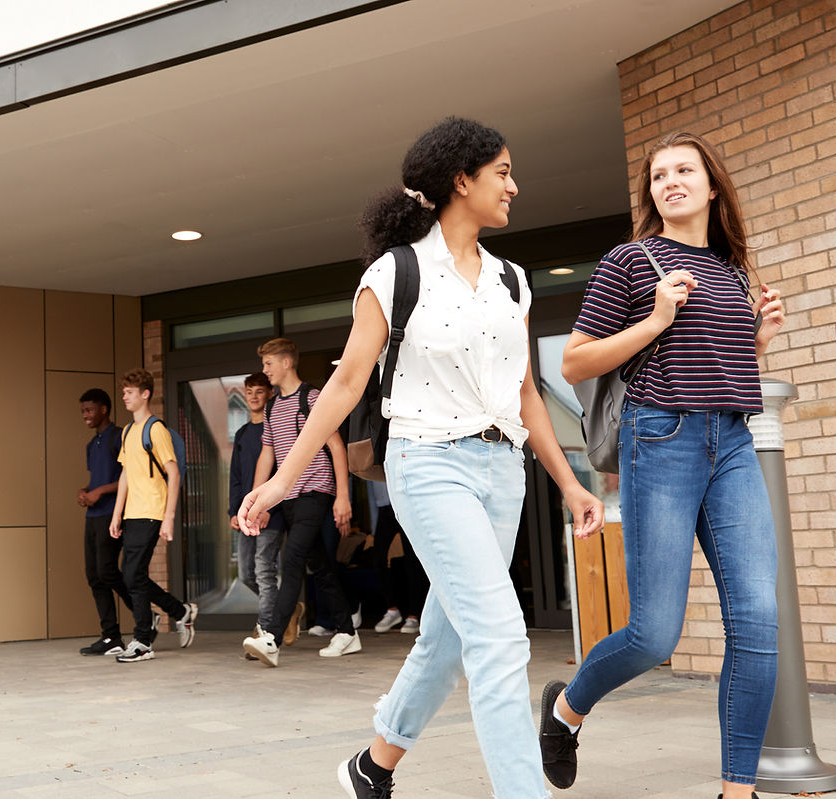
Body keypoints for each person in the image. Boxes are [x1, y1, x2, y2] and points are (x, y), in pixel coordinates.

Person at [238, 117, 603, 799]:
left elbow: (524, 392)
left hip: (502, 474)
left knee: (448, 636)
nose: (513, 186)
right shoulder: (397, 272)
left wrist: (570, 482)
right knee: (497, 635)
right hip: (428, 464)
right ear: (459, 181)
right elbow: (346, 383)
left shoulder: (512, 281)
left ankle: (370, 767)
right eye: (501, 172)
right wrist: (284, 481)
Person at [544, 131, 787, 799]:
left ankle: (737, 789)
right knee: (653, 633)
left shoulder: (731, 270)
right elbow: (574, 362)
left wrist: (756, 338)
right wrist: (653, 320)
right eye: (658, 175)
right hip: (660, 439)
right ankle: (566, 709)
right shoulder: (631, 261)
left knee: (757, 620)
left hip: (732, 442)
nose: (669, 181)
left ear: (712, 186)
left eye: (684, 170)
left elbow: (723, 371)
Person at [240, 338, 359, 665]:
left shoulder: (313, 398)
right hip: (289, 497)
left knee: (291, 561)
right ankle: (348, 631)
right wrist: (256, 501)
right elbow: (268, 454)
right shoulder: (273, 407)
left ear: (287, 363)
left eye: (268, 364)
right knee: (318, 565)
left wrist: (343, 496)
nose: (265, 371)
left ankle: (271, 638)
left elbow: (335, 446)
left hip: (315, 490)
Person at [109, 368, 197, 663]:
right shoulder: (127, 431)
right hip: (132, 512)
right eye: (124, 393)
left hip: (152, 510)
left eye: (129, 392)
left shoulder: (155, 429)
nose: (124, 397)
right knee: (133, 574)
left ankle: (143, 641)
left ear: (145, 394)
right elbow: (125, 475)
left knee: (132, 574)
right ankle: (179, 611)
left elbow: (172, 473)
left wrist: (169, 516)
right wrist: (116, 514)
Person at [227, 372, 285, 646]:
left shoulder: (274, 428)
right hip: (247, 514)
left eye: (258, 391)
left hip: (272, 514)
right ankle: (285, 610)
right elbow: (235, 476)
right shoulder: (241, 434)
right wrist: (233, 511)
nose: (252, 396)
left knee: (263, 571)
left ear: (269, 394)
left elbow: (283, 473)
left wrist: (271, 506)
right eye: (249, 391)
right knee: (247, 573)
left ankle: (265, 630)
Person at [77, 388, 133, 657]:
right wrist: (87, 491)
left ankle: (143, 614)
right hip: (92, 517)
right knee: (94, 576)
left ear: (104, 410)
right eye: (83, 411)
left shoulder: (118, 436)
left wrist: (99, 493)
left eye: (89, 410)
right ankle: (111, 637)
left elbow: (128, 476)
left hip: (112, 515)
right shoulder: (92, 444)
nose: (85, 415)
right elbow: (98, 479)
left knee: (108, 572)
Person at [367, 481, 426, 636]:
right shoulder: (374, 458)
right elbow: (372, 495)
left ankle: (413, 615)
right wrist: (373, 529)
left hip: (406, 505)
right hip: (384, 510)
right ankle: (392, 609)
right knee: (378, 558)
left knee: (412, 561)